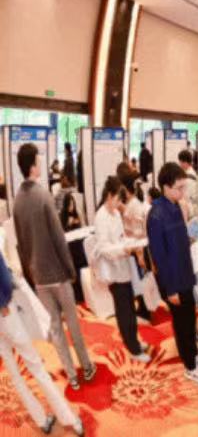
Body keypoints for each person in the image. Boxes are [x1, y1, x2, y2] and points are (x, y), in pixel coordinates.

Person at [12, 143, 95, 391]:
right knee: (73, 324)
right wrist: (70, 269)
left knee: (56, 328)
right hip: (57, 273)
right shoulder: (43, 195)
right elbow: (59, 238)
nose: (41, 164)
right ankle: (86, 367)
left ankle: (71, 375)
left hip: (38, 276)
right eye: (38, 161)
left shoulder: (17, 201)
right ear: (32, 166)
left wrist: (31, 272)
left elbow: (21, 243)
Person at [0, 249, 84, 435]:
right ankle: (69, 419)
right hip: (5, 313)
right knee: (35, 366)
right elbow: (4, 279)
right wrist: (4, 301)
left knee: (14, 373)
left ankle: (41, 420)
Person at [148, 162, 198, 385]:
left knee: (190, 318)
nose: (183, 192)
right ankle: (190, 366)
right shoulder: (156, 215)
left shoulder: (176, 206)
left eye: (184, 187)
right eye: (179, 188)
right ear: (166, 187)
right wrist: (170, 289)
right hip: (174, 280)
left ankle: (193, 355)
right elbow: (159, 257)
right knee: (182, 323)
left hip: (186, 272)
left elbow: (183, 239)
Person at [89, 176, 150, 362]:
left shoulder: (115, 214)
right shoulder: (101, 217)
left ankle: (135, 341)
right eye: (117, 199)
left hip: (124, 267)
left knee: (130, 307)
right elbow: (104, 249)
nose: (119, 203)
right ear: (109, 196)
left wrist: (131, 243)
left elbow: (121, 237)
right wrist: (124, 249)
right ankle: (133, 348)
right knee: (124, 312)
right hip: (113, 271)